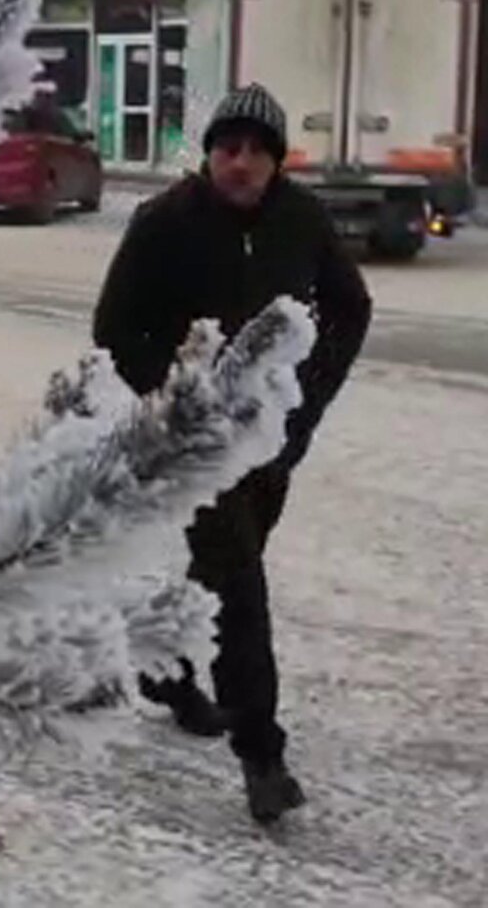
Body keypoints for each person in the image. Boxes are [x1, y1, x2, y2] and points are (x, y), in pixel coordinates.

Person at [93, 83, 373, 824]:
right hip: (194, 441)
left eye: (255, 151)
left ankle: (168, 671)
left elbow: (350, 307)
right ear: (210, 153)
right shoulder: (165, 222)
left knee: (222, 572)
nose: (240, 163)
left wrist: (304, 403)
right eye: (227, 148)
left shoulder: (301, 218)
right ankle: (262, 755)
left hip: (270, 437)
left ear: (277, 161)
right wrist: (182, 397)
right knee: (243, 587)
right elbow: (115, 328)